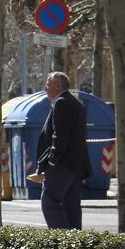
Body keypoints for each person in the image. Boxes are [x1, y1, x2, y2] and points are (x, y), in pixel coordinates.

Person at [36, 72, 90, 229]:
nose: (46, 87)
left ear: (58, 85)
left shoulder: (62, 103)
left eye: (48, 83)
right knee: (70, 206)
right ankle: (74, 243)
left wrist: (52, 161)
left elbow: (60, 135)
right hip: (74, 165)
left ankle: (62, 239)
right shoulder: (74, 102)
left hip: (63, 164)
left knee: (49, 201)